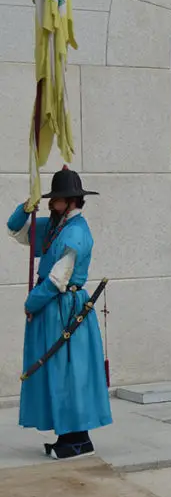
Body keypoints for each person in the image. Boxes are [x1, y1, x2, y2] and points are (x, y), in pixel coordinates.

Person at [6, 167, 111, 460]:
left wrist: (31, 303)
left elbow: (57, 279)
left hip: (66, 309)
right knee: (60, 371)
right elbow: (16, 230)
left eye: (56, 200)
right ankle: (71, 436)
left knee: (69, 372)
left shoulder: (76, 231)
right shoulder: (56, 227)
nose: (51, 204)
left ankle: (76, 438)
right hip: (54, 309)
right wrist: (26, 207)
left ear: (72, 201)